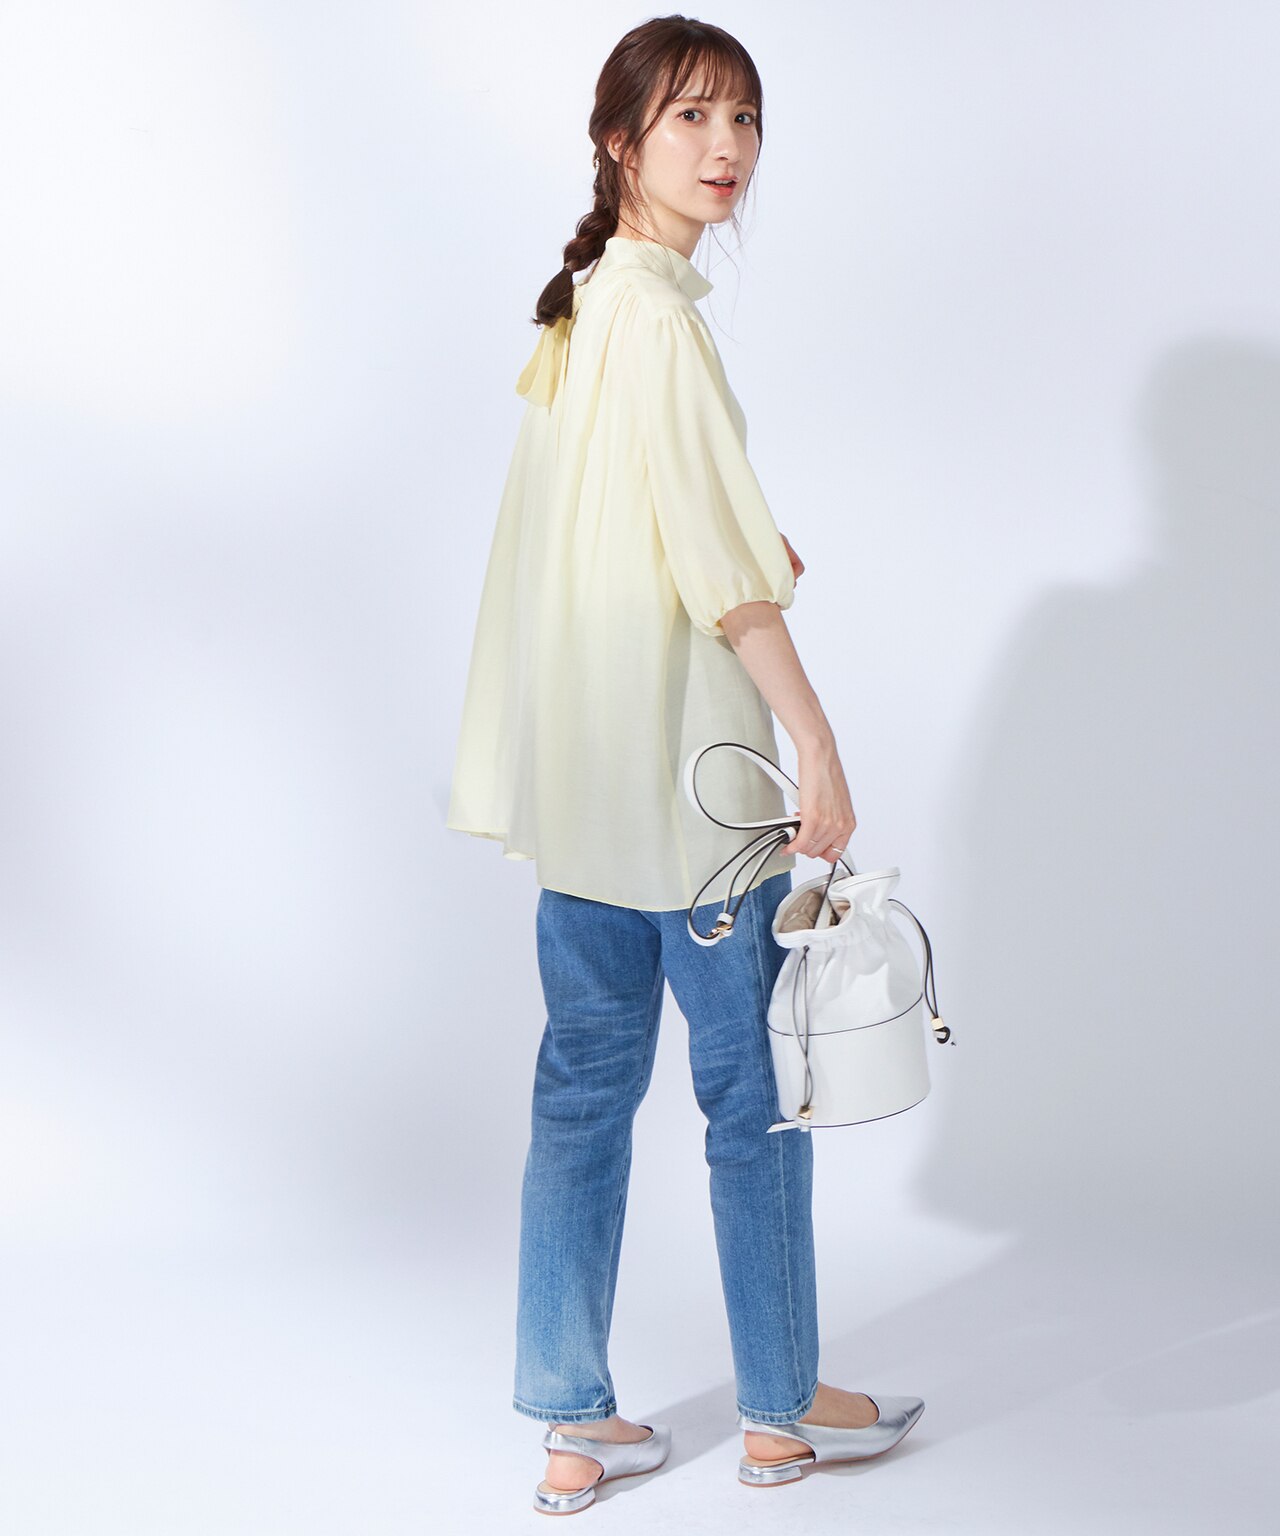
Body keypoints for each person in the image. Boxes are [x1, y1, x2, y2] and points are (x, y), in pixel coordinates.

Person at [446, 15, 924, 1517]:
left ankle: (571, 1423)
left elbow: (593, 534)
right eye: (692, 118)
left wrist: (736, 541)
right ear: (620, 141)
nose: (727, 148)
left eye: (744, 119)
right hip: (694, 791)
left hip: (588, 786)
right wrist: (817, 741)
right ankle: (780, 1410)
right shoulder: (656, 319)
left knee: (582, 1096)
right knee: (752, 1096)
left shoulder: (588, 305)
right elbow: (718, 577)